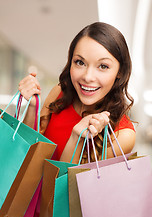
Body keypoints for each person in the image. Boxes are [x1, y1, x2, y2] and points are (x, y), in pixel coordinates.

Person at [18, 22, 136, 164]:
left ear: (120, 72)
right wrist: (32, 107)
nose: (87, 77)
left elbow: (70, 185)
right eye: (80, 62)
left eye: (103, 66)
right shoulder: (60, 92)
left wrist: (76, 139)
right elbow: (26, 151)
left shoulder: (122, 134)